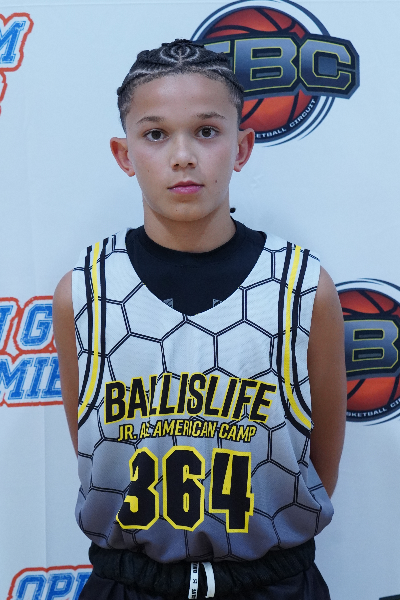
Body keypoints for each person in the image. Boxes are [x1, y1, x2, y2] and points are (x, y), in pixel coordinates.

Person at [53, 39, 347, 600]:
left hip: (275, 584)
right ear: (124, 154)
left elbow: (321, 465)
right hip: (129, 585)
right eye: (155, 134)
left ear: (242, 147)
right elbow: (94, 456)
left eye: (207, 131)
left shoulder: (303, 288)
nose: (183, 156)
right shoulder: (84, 292)